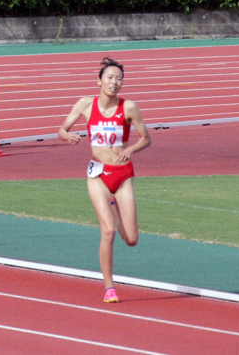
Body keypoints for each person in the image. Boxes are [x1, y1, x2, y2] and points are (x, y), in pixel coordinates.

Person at [58, 57, 151, 303]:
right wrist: (68, 136)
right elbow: (62, 129)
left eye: (119, 78)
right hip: (97, 174)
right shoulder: (85, 105)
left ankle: (115, 209)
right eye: (110, 77)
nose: (115, 82)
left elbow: (146, 138)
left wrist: (132, 149)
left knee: (131, 239)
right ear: (99, 81)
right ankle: (109, 287)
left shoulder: (129, 107)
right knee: (108, 231)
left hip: (123, 174)